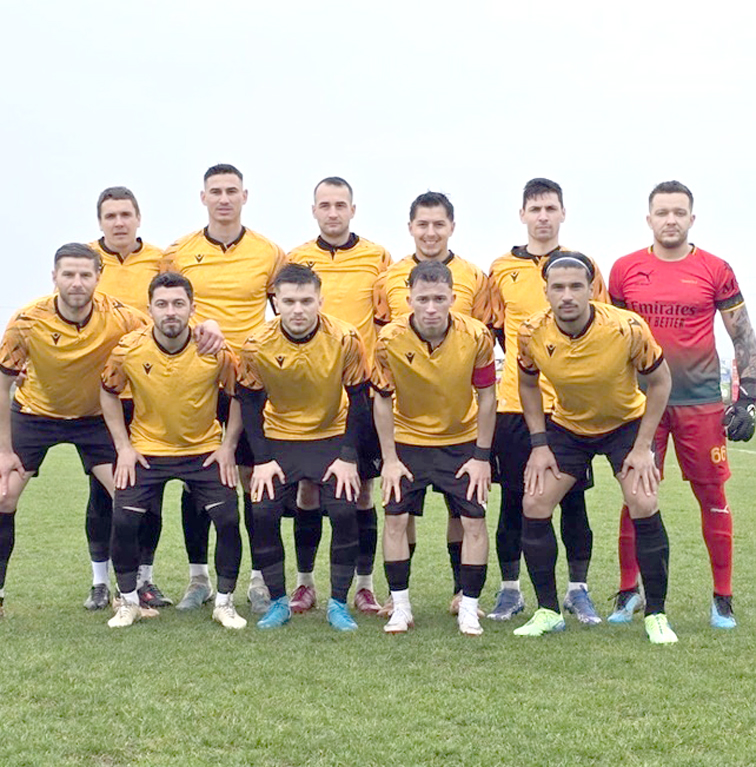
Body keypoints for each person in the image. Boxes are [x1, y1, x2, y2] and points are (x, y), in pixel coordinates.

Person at [608, 180, 756, 630]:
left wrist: (748, 396)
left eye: (678, 212)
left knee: (712, 496)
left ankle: (722, 598)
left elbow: (742, 334)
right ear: (648, 218)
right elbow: (611, 338)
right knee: (636, 495)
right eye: (662, 212)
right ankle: (629, 592)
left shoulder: (716, 269)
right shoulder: (624, 269)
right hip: (641, 406)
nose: (670, 220)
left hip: (700, 403)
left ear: (692, 218)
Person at [516, 252, 676, 643]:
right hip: (569, 428)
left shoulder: (626, 327)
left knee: (643, 502)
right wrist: (539, 444)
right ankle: (548, 611)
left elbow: (661, 383)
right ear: (546, 292)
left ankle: (656, 614)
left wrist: (643, 447)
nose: (567, 295)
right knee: (534, 503)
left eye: (576, 286)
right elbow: (527, 383)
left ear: (592, 290)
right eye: (558, 287)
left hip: (625, 425)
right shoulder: (532, 331)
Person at [164, 164, 286, 612]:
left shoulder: (269, 253)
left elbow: (285, 310)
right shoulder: (179, 252)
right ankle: (198, 579)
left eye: (231, 191)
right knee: (196, 480)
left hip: (250, 382)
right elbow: (168, 307)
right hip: (198, 381)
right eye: (215, 191)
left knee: (255, 479)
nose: (223, 199)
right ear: (203, 198)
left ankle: (258, 579)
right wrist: (203, 323)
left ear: (244, 196)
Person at [0, 243, 146, 617]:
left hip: (94, 418)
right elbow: (2, 385)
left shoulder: (122, 317)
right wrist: (3, 451)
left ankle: (126, 594)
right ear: (55, 277)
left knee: (129, 497)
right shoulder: (26, 321)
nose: (76, 282)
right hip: (35, 414)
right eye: (68, 274)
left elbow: (164, 334)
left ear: (98, 277)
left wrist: (207, 328)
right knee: (3, 495)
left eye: (85, 274)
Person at [487, 178, 608, 624]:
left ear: (562, 213)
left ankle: (578, 591)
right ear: (522, 214)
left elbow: (602, 325)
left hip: (571, 409)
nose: (542, 216)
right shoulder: (500, 268)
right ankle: (510, 591)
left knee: (572, 501)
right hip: (515, 407)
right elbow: (496, 329)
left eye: (550, 208)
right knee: (514, 500)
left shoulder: (583, 266)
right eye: (535, 209)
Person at [101, 272, 245, 629]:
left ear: (192, 308)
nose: (170, 312)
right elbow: (107, 391)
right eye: (162, 304)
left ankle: (224, 603)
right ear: (149, 308)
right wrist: (123, 446)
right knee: (124, 520)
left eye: (179, 304)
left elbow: (239, 395)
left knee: (228, 520)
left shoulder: (215, 350)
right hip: (147, 450)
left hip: (203, 450)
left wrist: (228, 446)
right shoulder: (128, 349)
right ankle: (129, 603)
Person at [373, 191, 491, 616]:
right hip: (409, 429)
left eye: (438, 223)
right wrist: (389, 455)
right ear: (410, 227)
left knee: (464, 513)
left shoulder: (475, 277)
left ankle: (464, 594)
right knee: (400, 513)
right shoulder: (388, 277)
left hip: (460, 427)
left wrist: (482, 452)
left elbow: (482, 346)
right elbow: (383, 345)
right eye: (422, 224)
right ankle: (398, 598)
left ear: (451, 226)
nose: (430, 231)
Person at [236, 264, 370, 632]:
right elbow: (249, 403)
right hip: (279, 438)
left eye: (306, 301)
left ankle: (338, 604)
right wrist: (262, 459)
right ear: (276, 303)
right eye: (290, 301)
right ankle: (279, 601)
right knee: (262, 511)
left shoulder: (345, 337)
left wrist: (348, 456)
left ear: (320, 301)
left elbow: (360, 399)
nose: (298, 309)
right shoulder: (255, 344)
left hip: (331, 435)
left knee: (344, 510)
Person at [286, 176, 392, 615]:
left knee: (362, 492)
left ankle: (364, 586)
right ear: (314, 210)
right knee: (308, 492)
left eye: (340, 204)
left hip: (358, 393)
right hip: (312, 397)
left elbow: (385, 318)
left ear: (353, 209)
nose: (333, 212)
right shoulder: (296, 258)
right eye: (325, 205)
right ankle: (304, 583)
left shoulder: (377, 256)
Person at [85, 186, 170, 610]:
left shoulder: (161, 260)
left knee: (148, 491)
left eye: (125, 215)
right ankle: (100, 581)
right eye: (110, 216)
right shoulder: (86, 260)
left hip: (151, 393)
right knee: (103, 492)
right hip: (104, 395)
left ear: (138, 218)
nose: (118, 222)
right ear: (100, 221)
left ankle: (144, 579)